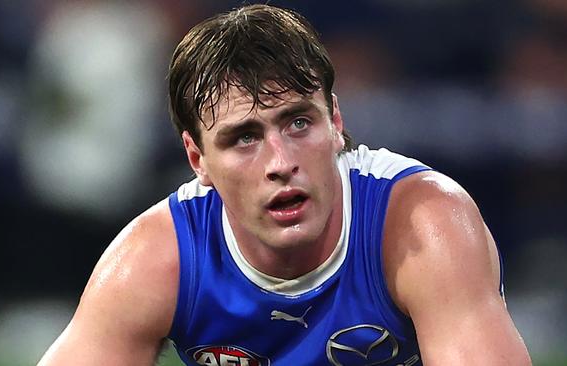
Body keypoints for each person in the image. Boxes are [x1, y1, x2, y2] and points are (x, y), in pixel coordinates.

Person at [37, 4, 532, 365]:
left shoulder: (423, 225)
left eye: (298, 123)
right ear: (198, 160)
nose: (280, 162)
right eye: (244, 138)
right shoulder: (157, 259)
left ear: (335, 121)